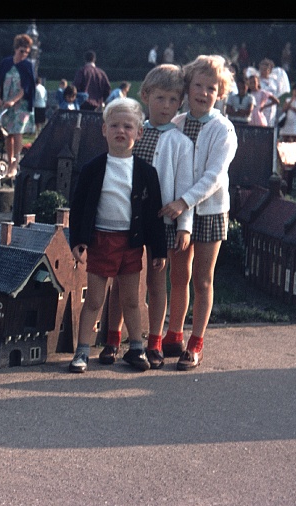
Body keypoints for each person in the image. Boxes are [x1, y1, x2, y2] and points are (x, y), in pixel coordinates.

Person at [100, 65, 194, 369]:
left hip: (160, 221)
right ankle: (113, 338)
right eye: (159, 98)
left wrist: (185, 225)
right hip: (125, 218)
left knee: (156, 281)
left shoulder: (180, 143)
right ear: (146, 96)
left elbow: (185, 187)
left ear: (179, 103)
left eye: (172, 100)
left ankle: (154, 342)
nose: (165, 106)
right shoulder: (133, 132)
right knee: (121, 279)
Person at [67, 97, 167, 373]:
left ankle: (136, 348)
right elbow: (77, 208)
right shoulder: (93, 169)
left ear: (139, 132)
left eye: (127, 126)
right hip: (100, 241)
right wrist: (77, 240)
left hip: (131, 243)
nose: (120, 131)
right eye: (114, 126)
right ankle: (82, 352)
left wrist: (159, 250)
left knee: (132, 300)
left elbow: (154, 214)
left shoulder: (147, 173)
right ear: (104, 130)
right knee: (95, 300)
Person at [157, 54, 237, 371]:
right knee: (179, 275)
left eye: (211, 89)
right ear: (188, 87)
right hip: (179, 211)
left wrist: (183, 202)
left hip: (209, 211)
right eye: (198, 86)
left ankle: (196, 342)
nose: (203, 93)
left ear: (219, 94)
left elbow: (214, 177)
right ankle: (173, 335)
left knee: (202, 280)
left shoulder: (223, 130)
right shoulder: (176, 123)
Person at [0, 33, 36, 178]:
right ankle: (9, 159)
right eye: (21, 51)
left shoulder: (27, 65)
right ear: (16, 49)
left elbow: (27, 87)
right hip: (6, 104)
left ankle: (15, 164)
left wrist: (14, 100)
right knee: (7, 134)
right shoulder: (6, 63)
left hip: (20, 105)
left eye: (26, 52)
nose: (24, 54)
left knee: (17, 132)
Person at [257, 58, 281, 126]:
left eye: (265, 69)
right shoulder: (257, 81)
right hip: (261, 108)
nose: (263, 71)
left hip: (271, 108)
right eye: (261, 69)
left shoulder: (274, 82)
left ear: (269, 70)